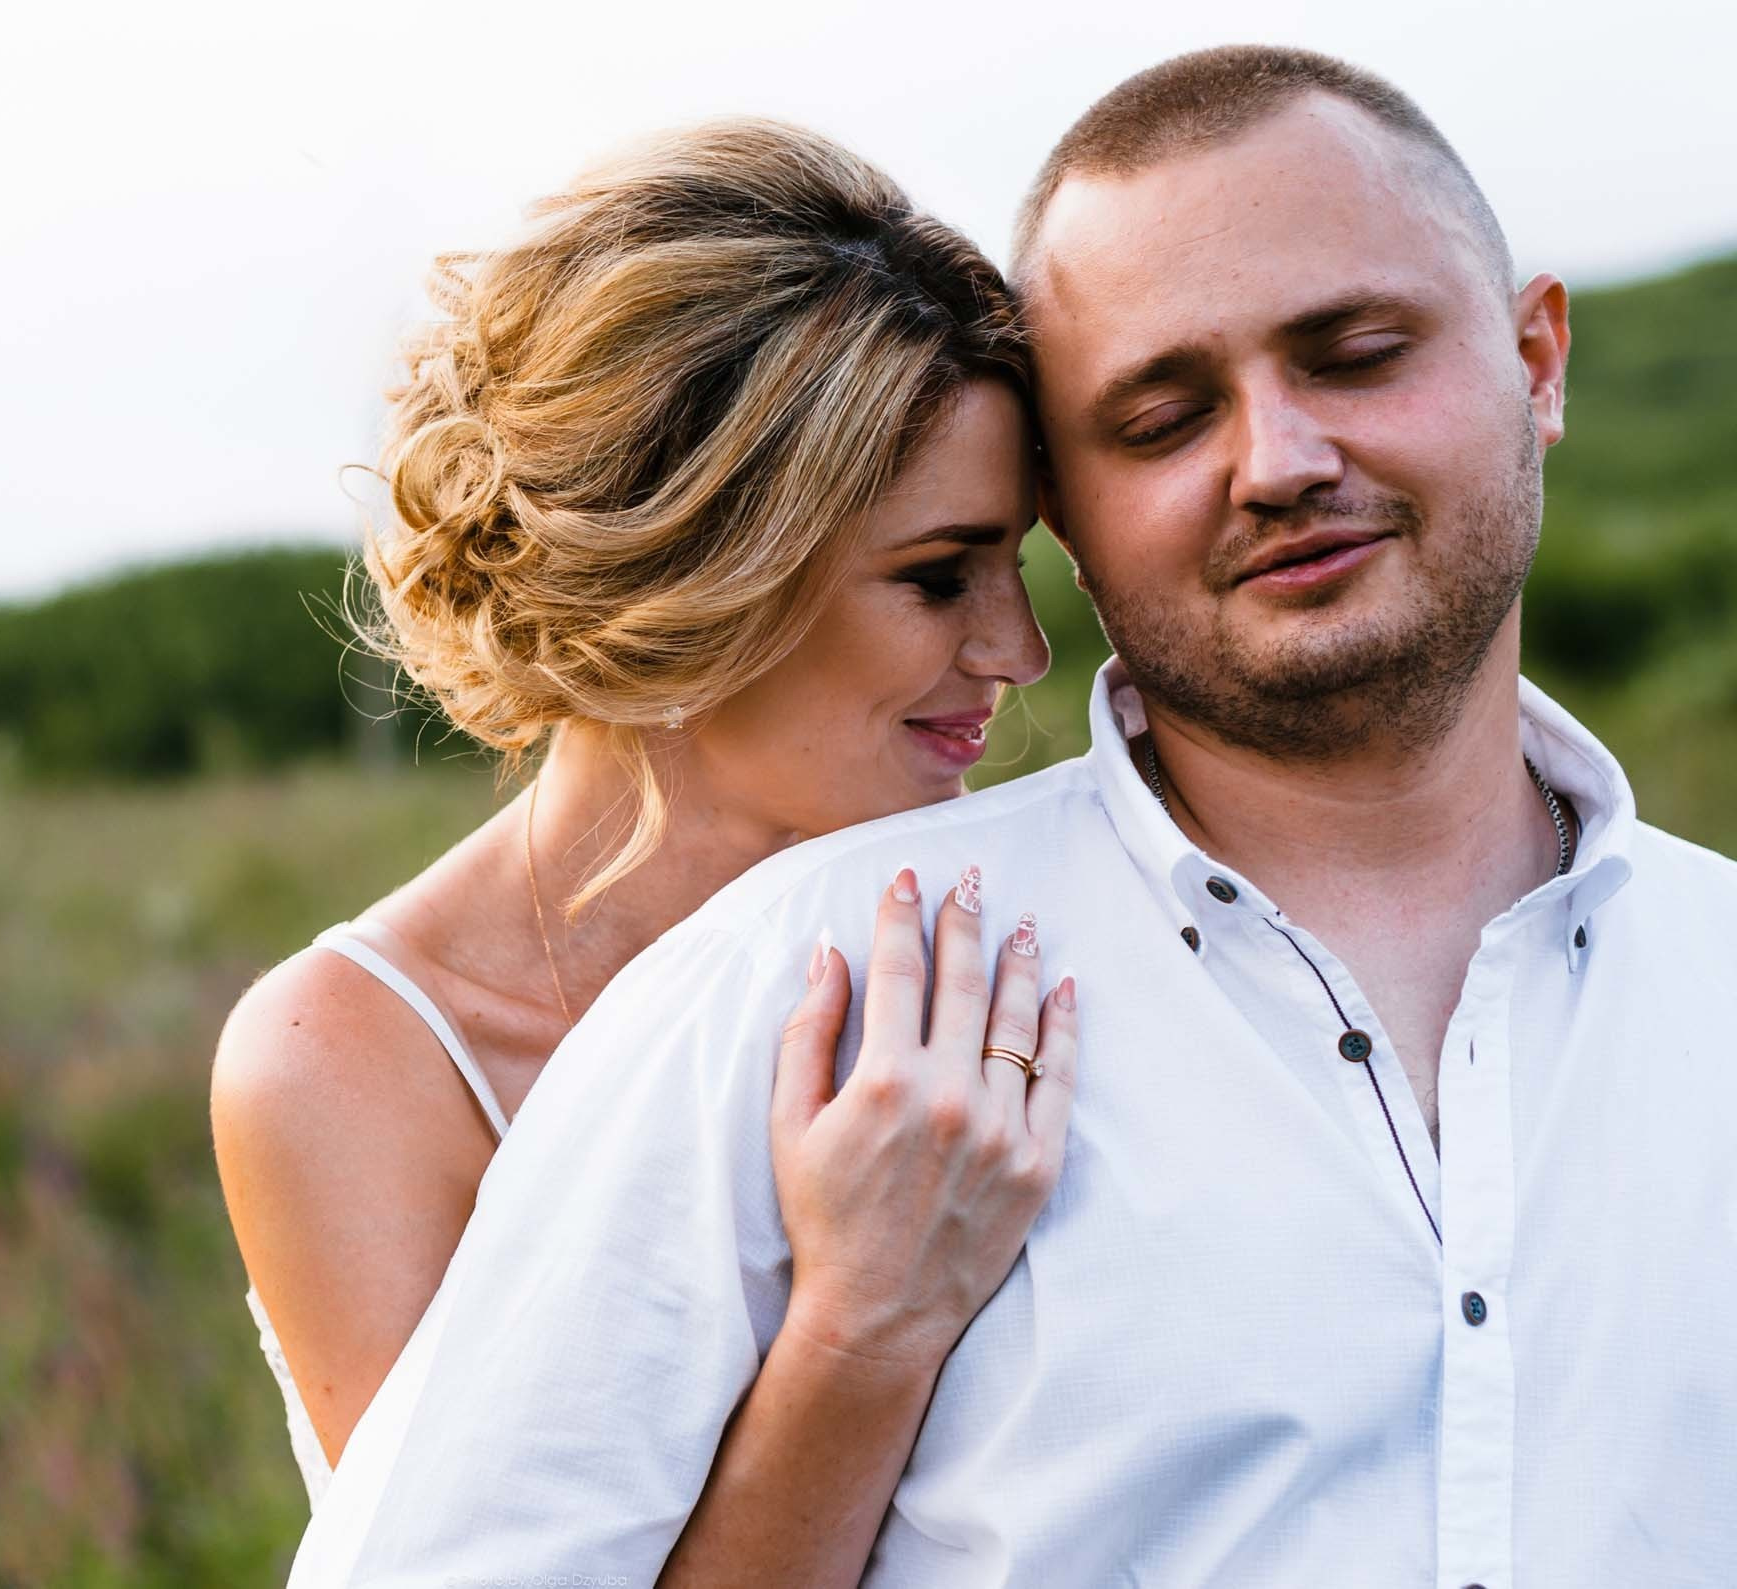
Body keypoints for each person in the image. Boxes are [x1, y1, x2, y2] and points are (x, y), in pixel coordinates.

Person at [291, 45, 1737, 1588]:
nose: (1282, 461)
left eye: (1358, 351)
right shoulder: (786, 995)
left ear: (1537, 359)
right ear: (1073, 499)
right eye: (1164, 416)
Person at [209, 119, 1077, 1584]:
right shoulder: (347, 1058)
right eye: (939, 577)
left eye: (1018, 565)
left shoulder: (996, 934)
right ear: (699, 582)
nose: (1020, 650)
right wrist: (864, 1322)